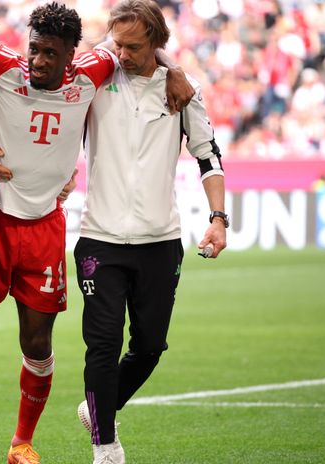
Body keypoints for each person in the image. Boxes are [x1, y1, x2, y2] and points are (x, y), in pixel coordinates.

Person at [0, 3, 194, 463]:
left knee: (37, 341)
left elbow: (136, 46)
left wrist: (174, 68)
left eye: (49, 54)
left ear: (70, 55)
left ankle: (21, 442)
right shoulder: (1, 63)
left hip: (45, 227)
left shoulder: (91, 71)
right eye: (33, 49)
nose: (37, 60)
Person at [74, 1, 227, 463]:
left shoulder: (183, 91)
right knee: (102, 345)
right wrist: (167, 60)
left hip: (160, 240)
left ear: (157, 43)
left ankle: (99, 407)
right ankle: (105, 446)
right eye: (117, 43)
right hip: (99, 236)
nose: (122, 53)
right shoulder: (99, 77)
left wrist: (219, 218)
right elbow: (81, 57)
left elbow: (208, 156)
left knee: (149, 346)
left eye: (135, 46)